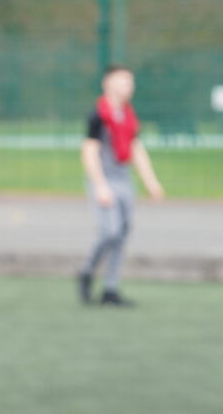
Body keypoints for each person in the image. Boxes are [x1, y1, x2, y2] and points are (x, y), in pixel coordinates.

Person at [77, 64, 164, 306]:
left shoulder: (128, 115)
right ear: (108, 83)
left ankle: (110, 289)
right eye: (123, 80)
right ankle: (86, 271)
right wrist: (100, 185)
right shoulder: (98, 114)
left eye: (130, 81)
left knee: (122, 235)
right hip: (105, 179)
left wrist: (150, 181)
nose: (129, 86)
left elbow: (135, 148)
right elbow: (89, 151)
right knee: (110, 232)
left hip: (124, 179)